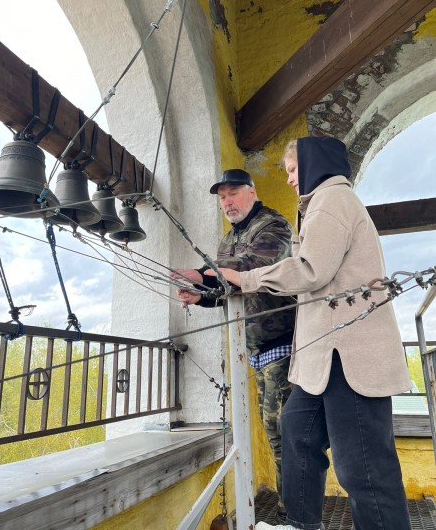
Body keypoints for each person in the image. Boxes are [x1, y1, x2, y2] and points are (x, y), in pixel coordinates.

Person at [205, 139, 412, 530]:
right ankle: (300, 524)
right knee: (297, 432)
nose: (287, 180)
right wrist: (206, 290)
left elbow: (310, 270)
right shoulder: (318, 206)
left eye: (292, 170)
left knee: (363, 468)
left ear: (313, 164)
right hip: (322, 359)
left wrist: (246, 278)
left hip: (348, 355)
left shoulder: (332, 200)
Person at [171, 169, 296, 523]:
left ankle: (295, 514)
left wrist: (201, 275)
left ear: (252, 192)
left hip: (285, 345)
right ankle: (293, 510)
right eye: (222, 196)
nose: (227, 202)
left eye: (233, 193)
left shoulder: (274, 226)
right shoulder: (229, 240)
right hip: (256, 349)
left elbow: (252, 269)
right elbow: (228, 289)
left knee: (285, 433)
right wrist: (200, 296)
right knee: (274, 432)